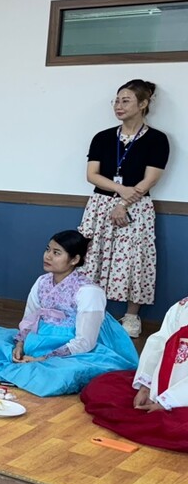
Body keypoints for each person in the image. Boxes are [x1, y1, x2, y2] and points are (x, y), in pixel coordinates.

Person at [0, 230, 139, 396]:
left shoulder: (89, 292)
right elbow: (29, 318)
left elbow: (85, 342)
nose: (48, 256)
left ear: (74, 259)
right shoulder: (42, 281)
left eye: (56, 253)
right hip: (39, 339)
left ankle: (35, 368)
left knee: (62, 374)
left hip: (74, 348)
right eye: (47, 250)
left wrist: (44, 358)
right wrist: (20, 344)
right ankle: (28, 366)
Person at [79, 79, 169, 338]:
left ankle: (131, 316)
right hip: (100, 205)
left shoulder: (157, 139)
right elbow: (92, 175)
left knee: (134, 258)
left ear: (143, 104)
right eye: (116, 100)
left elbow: (150, 178)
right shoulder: (103, 137)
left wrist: (123, 203)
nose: (119, 105)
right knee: (93, 255)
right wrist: (120, 191)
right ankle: (90, 311)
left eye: (126, 100)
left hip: (136, 206)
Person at [81, 293, 188, 451]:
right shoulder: (182, 307)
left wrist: (168, 401)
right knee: (102, 387)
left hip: (181, 396)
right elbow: (158, 342)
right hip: (164, 383)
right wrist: (146, 385)